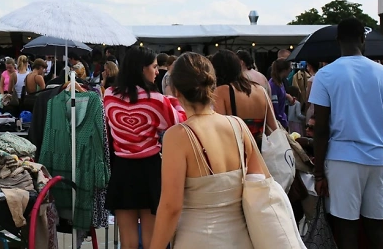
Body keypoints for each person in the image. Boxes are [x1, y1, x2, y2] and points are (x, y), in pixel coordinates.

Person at [150, 53, 268, 249]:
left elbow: (171, 206)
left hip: (196, 239)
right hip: (241, 239)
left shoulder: (178, 136)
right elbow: (261, 181)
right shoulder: (238, 126)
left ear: (176, 91)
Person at [309, 18, 383, 249]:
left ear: (338, 41)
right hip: (377, 158)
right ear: (363, 39)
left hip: (343, 160)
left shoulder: (325, 74)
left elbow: (320, 128)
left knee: (346, 230)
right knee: (375, 228)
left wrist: (319, 174)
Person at [104, 47, 186, 249]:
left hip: (122, 169)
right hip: (149, 169)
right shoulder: (156, 100)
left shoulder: (109, 95)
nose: (157, 71)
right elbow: (178, 121)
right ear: (142, 69)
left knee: (128, 242)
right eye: (154, 66)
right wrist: (173, 100)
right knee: (151, 240)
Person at [211, 50, 277, 151]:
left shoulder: (222, 92)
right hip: (261, 154)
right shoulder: (260, 90)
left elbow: (220, 132)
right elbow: (274, 128)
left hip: (237, 155)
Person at [268, 58, 292, 129]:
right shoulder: (273, 85)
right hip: (278, 123)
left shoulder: (280, 83)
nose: (290, 72)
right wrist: (283, 122)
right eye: (290, 70)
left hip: (282, 120)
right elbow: (275, 108)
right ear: (285, 70)